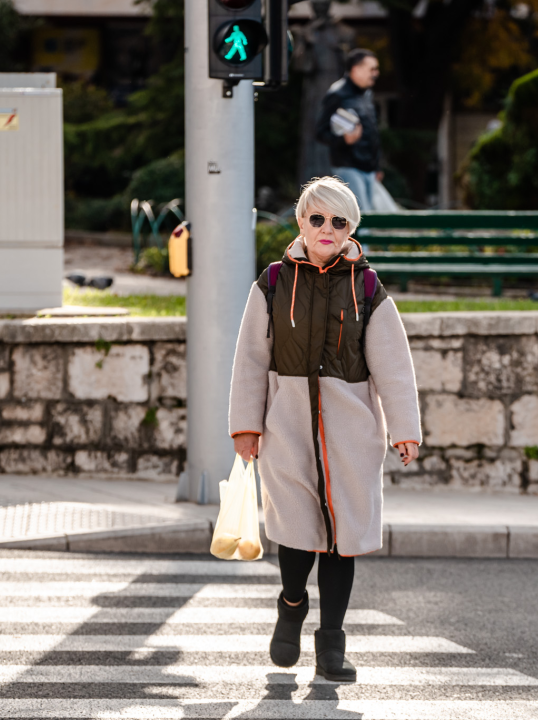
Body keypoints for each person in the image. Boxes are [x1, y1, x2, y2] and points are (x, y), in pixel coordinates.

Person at [229, 177, 421, 682]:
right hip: (287, 426)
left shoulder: (368, 287)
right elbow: (251, 360)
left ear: (350, 228)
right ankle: (291, 605)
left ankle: (332, 645)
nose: (327, 228)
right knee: (296, 531)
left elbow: (394, 366)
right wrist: (246, 426)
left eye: (339, 221)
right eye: (317, 218)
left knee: (342, 538)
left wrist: (405, 429)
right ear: (301, 222)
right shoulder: (272, 283)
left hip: (351, 433)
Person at [315, 49, 384, 211]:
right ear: (356, 70)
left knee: (369, 218)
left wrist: (377, 166)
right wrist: (343, 140)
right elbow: (320, 132)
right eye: (372, 69)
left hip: (368, 169)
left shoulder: (366, 94)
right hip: (348, 166)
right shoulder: (338, 94)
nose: (376, 73)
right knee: (360, 217)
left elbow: (372, 133)